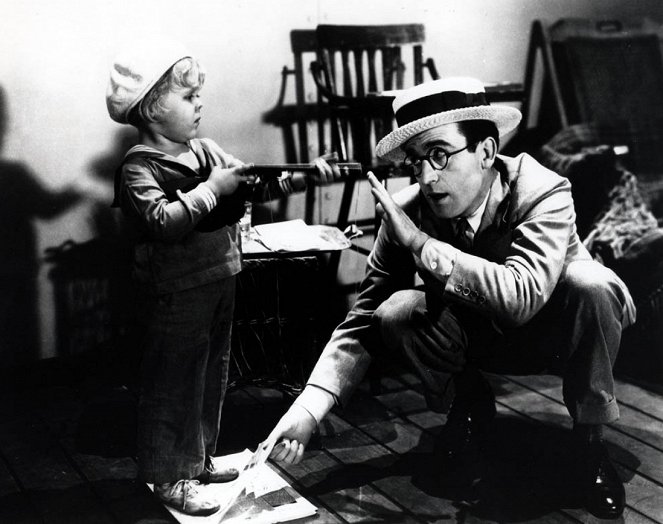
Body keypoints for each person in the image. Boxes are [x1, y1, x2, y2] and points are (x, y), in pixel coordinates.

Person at [265, 77, 636, 520]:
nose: (426, 176)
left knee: (591, 283)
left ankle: (590, 443)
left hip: (553, 335)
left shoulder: (543, 191)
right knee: (397, 311)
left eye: (439, 154)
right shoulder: (409, 210)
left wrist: (422, 245)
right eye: (416, 162)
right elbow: (364, 317)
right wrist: (309, 409)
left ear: (486, 152)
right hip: (478, 339)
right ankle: (469, 405)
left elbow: (522, 297)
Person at [105, 37, 338, 516]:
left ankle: (197, 460)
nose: (199, 104)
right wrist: (212, 190)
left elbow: (253, 184)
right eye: (188, 97)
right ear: (150, 109)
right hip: (175, 291)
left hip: (219, 278)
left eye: (197, 95)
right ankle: (169, 477)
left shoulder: (205, 149)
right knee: (175, 383)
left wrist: (305, 176)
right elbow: (163, 223)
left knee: (211, 376)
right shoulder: (139, 168)